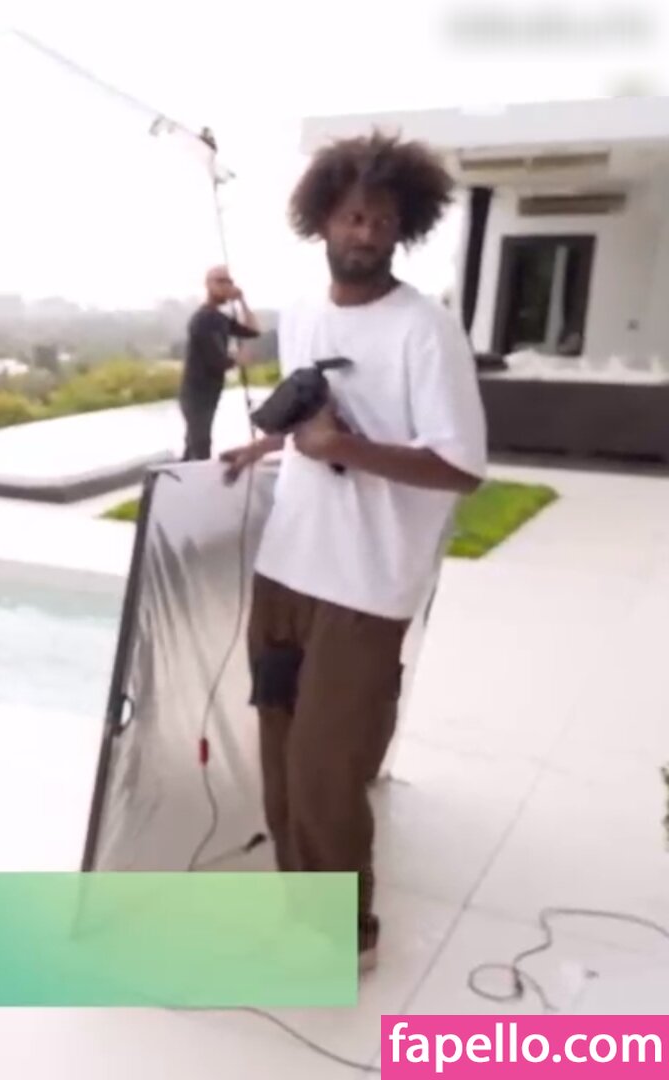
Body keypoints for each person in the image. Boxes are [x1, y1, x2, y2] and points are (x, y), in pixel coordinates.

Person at [220, 130, 486, 975]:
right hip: (286, 568)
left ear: (404, 229)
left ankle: (347, 935)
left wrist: (345, 450)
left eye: (382, 220)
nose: (365, 232)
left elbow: (461, 468)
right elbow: (311, 412)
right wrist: (267, 445)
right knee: (278, 751)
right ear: (322, 220)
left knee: (326, 770)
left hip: (366, 588)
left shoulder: (425, 331)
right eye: (351, 216)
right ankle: (299, 911)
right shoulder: (304, 314)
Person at [180, 265, 260, 460]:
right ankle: (198, 477)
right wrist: (237, 359)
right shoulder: (202, 319)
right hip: (196, 393)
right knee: (201, 444)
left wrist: (242, 301)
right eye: (220, 281)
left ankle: (183, 475)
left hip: (211, 391)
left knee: (194, 444)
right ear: (208, 285)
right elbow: (215, 360)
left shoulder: (220, 318)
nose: (226, 286)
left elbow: (254, 331)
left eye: (229, 281)